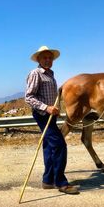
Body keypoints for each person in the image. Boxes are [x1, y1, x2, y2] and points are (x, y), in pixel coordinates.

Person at [25, 45, 79, 195]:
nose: (48, 60)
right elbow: (29, 97)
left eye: (50, 58)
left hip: (50, 116)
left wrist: (55, 110)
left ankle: (48, 181)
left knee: (49, 147)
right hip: (42, 115)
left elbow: (50, 97)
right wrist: (46, 108)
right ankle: (61, 182)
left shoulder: (50, 74)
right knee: (60, 145)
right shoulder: (36, 73)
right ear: (39, 59)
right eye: (45, 58)